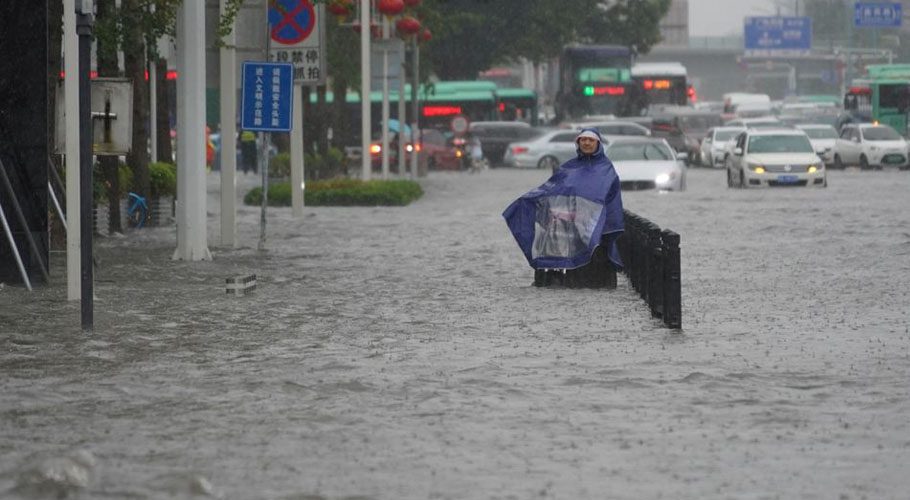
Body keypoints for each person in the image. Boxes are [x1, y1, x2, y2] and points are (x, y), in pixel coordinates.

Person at [502, 127, 624, 288]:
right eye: (583, 140)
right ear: (578, 143)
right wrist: (530, 200)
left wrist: (604, 224)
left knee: (595, 275)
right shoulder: (568, 168)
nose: (586, 143)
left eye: (590, 140)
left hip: (597, 231)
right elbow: (551, 189)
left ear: (598, 144)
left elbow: (610, 198)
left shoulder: (606, 169)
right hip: (569, 230)